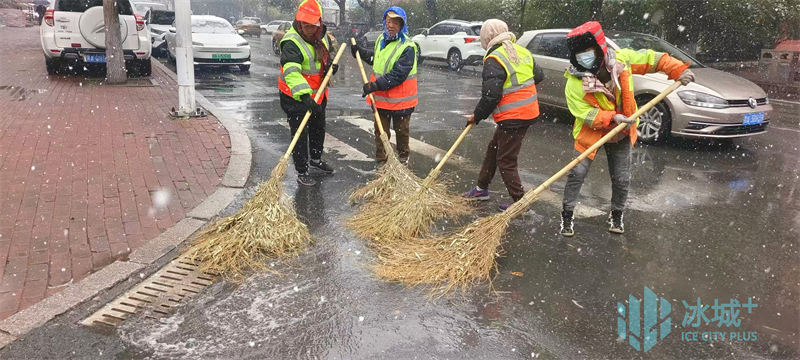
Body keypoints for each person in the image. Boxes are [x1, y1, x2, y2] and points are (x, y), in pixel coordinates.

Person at [560, 21, 695, 236]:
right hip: (591, 134)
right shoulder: (575, 82)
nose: (583, 56)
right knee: (577, 174)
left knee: (622, 178)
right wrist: (613, 117)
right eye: (578, 53)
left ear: (600, 48)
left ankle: (616, 215)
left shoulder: (622, 61)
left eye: (588, 51)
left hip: (621, 134)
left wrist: (677, 70)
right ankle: (567, 217)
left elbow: (655, 59)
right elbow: (583, 113)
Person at [461, 19, 544, 212]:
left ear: (487, 37)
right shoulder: (521, 50)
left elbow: (491, 96)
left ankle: (520, 204)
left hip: (513, 116)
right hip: (526, 112)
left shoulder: (495, 58)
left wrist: (477, 115)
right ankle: (482, 188)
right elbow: (538, 75)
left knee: (506, 160)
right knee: (494, 148)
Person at [278, 0, 338, 186]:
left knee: (318, 127)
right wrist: (304, 96)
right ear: (299, 21)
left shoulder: (323, 35)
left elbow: (327, 56)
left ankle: (316, 159)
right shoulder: (291, 42)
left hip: (318, 93)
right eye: (305, 24)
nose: (309, 28)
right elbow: (292, 72)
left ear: (319, 22)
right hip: (295, 96)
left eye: (313, 24)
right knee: (300, 133)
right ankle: (302, 170)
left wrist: (330, 66)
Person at [350, 7, 417, 166]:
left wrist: (373, 85)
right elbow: (377, 59)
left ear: (402, 24)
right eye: (388, 21)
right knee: (381, 134)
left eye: (395, 22)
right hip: (381, 100)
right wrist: (359, 52)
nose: (391, 25)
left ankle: (402, 162)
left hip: (401, 102)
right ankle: (382, 164)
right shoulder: (381, 39)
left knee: (402, 134)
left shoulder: (407, 47)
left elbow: (397, 75)